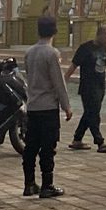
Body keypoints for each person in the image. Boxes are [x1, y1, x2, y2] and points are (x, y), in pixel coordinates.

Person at [22, 15, 73, 199]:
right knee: (47, 147)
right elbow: (58, 82)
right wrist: (66, 106)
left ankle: (29, 184)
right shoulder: (52, 54)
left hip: (33, 105)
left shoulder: (29, 53)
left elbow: (29, 77)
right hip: (48, 107)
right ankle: (47, 184)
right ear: (54, 32)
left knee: (31, 147)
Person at [67, 23, 106, 153]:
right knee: (93, 115)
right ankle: (100, 142)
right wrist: (64, 79)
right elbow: (74, 65)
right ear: (98, 35)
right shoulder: (85, 48)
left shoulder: (105, 48)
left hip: (100, 86)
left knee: (90, 113)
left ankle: (77, 139)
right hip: (87, 87)